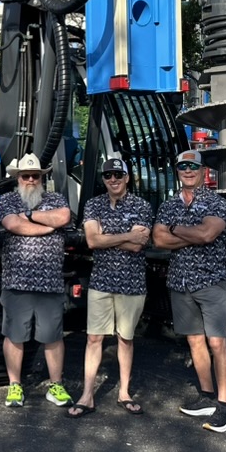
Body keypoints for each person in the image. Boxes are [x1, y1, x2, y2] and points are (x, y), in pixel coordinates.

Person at [153, 149, 226, 433]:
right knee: (195, 342)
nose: (188, 171)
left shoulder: (217, 202)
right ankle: (207, 396)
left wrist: (176, 228)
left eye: (193, 167)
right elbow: (159, 240)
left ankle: (225, 407)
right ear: (177, 170)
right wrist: (190, 234)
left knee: (216, 343)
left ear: (203, 172)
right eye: (183, 167)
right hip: (180, 281)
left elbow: (208, 234)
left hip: (210, 281)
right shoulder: (168, 205)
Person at [67, 157, 152, 418]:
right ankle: (87, 394)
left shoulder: (142, 206)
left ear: (127, 177)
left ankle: (124, 392)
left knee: (125, 339)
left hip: (132, 283)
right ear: (103, 180)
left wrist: (108, 238)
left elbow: (139, 246)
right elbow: (92, 241)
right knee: (94, 338)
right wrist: (127, 235)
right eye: (108, 175)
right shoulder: (93, 205)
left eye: (118, 174)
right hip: (101, 282)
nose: (113, 179)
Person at [0, 153, 73, 409]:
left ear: (42, 177)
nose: (31, 179)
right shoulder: (7, 199)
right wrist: (45, 223)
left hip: (50, 281)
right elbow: (13, 225)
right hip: (17, 281)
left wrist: (28, 216)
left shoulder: (56, 198)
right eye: (26, 175)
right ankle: (15, 386)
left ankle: (56, 385)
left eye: (35, 175)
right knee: (15, 335)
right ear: (17, 177)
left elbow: (63, 218)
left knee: (53, 336)